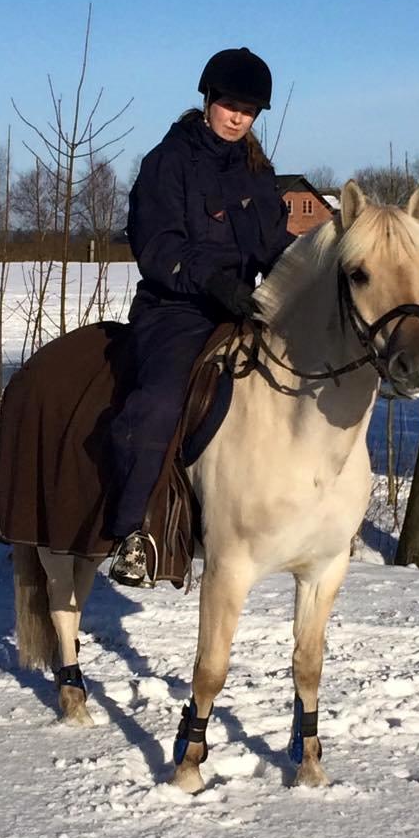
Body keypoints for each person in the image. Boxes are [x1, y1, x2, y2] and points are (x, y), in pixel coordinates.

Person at [109, 47, 294, 586]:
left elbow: (273, 243)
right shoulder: (167, 162)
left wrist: (302, 269)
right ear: (209, 99)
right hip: (176, 308)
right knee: (160, 399)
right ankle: (133, 532)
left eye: (250, 110)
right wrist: (212, 281)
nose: (238, 118)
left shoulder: (259, 173)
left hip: (245, 308)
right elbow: (158, 242)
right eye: (231, 105)